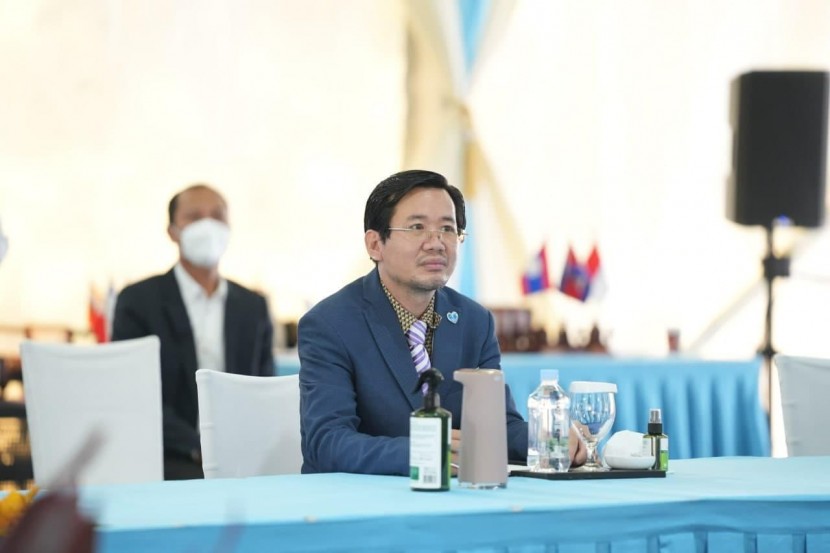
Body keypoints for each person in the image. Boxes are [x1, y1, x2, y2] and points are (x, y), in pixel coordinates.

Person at [299, 169, 586, 475]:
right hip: (361, 498)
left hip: (454, 495)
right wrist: (424, 451)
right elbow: (326, 442)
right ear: (375, 244)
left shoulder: (475, 322)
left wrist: (548, 440)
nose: (436, 243)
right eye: (417, 227)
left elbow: (496, 426)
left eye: (448, 229)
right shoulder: (330, 324)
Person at [111, 184, 274, 480]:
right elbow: (132, 391)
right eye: (194, 217)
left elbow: (265, 388)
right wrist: (198, 447)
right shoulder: (139, 301)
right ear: (172, 231)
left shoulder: (252, 306)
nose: (207, 226)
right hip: (167, 458)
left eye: (217, 216)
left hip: (242, 458)